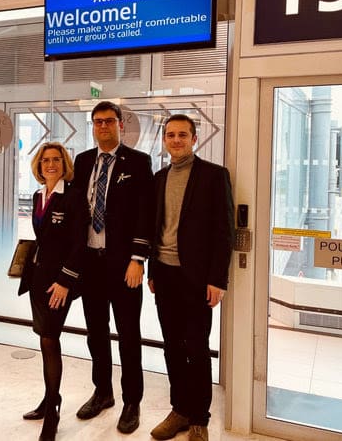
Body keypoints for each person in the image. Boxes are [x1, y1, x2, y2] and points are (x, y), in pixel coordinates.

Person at [148, 114, 234, 441]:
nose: (176, 140)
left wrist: (218, 280)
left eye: (182, 135)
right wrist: (153, 270)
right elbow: (156, 230)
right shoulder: (159, 178)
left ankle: (199, 417)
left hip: (197, 278)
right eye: (170, 135)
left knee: (196, 347)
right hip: (165, 275)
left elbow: (224, 232)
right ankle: (179, 410)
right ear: (164, 140)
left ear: (194, 138)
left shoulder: (214, 176)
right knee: (171, 346)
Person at [72, 101, 153, 434]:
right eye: (97, 122)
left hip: (123, 266)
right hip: (91, 262)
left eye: (108, 121)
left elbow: (146, 213)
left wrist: (138, 259)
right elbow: (77, 209)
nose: (102, 126)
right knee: (95, 332)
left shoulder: (137, 162)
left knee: (129, 334)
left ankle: (132, 400)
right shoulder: (82, 161)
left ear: (121, 124)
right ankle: (102, 392)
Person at [18, 142, 89, 441]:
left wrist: (65, 281)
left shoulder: (73, 198)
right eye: (46, 160)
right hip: (37, 279)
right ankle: (48, 399)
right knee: (43, 339)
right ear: (39, 164)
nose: (51, 164)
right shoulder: (38, 195)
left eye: (56, 160)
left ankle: (54, 409)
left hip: (59, 283)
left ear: (64, 164)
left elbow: (79, 245)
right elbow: (43, 238)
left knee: (50, 340)